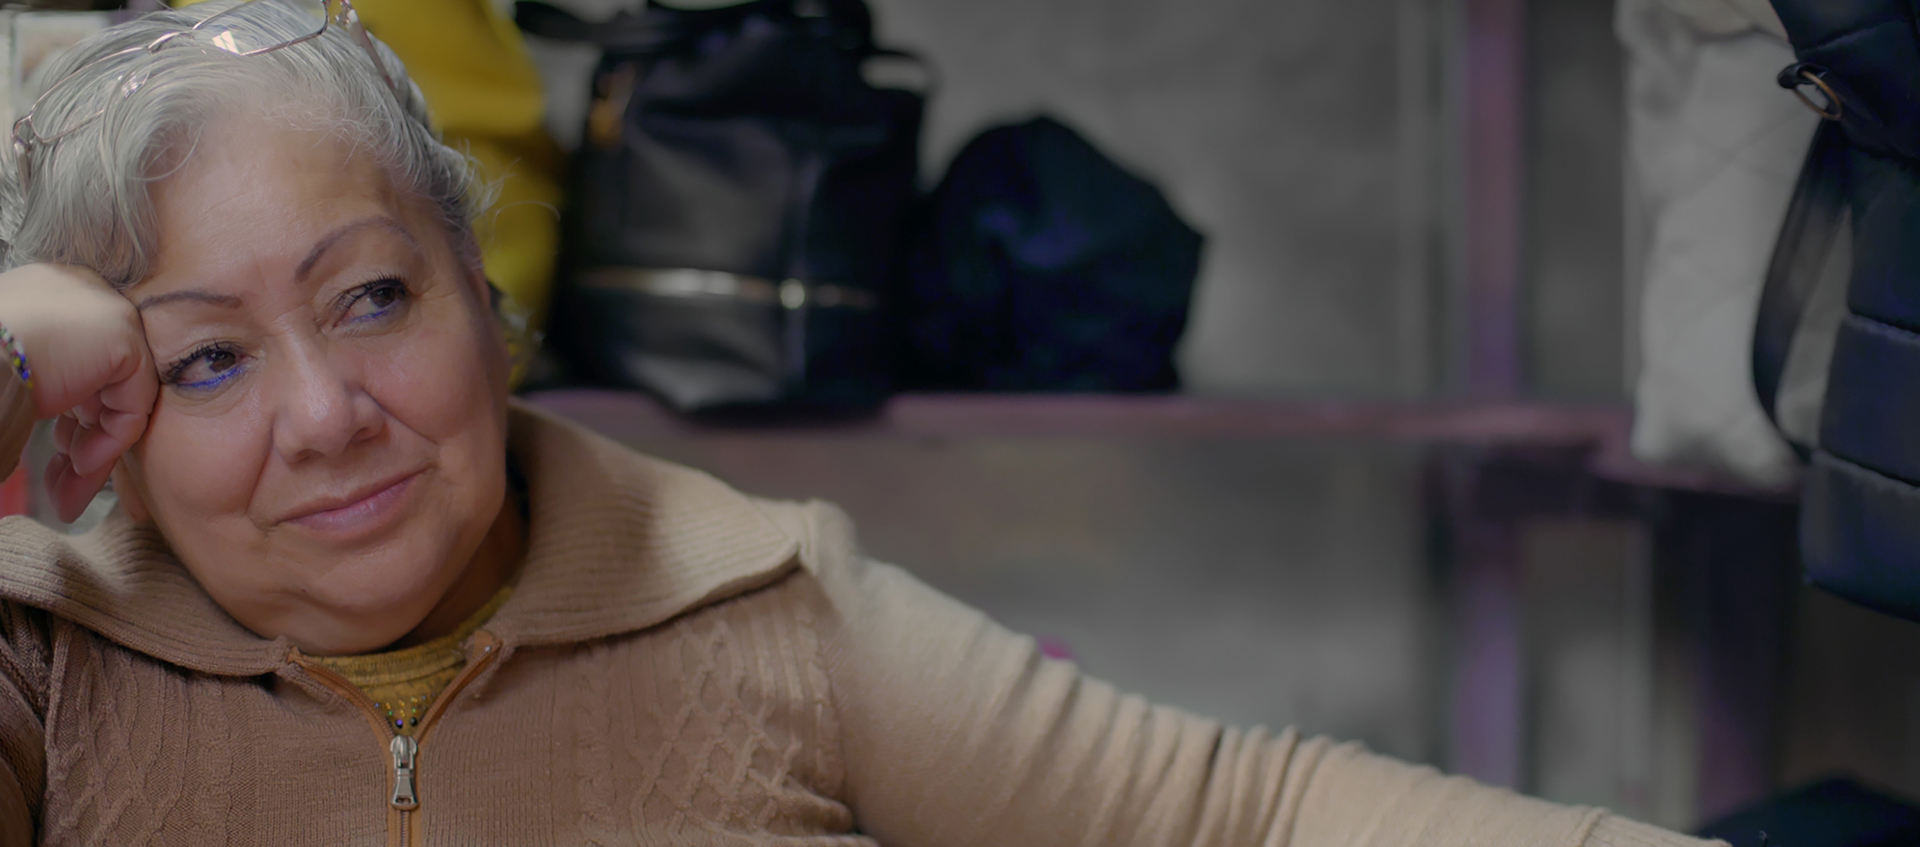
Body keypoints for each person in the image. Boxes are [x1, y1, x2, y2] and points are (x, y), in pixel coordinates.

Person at [0, 1, 1719, 844]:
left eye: (375, 297)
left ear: (487, 302)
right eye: (206, 360)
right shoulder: (44, 679)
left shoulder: (760, 607)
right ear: (110, 415)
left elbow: (1234, 818)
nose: (329, 415)